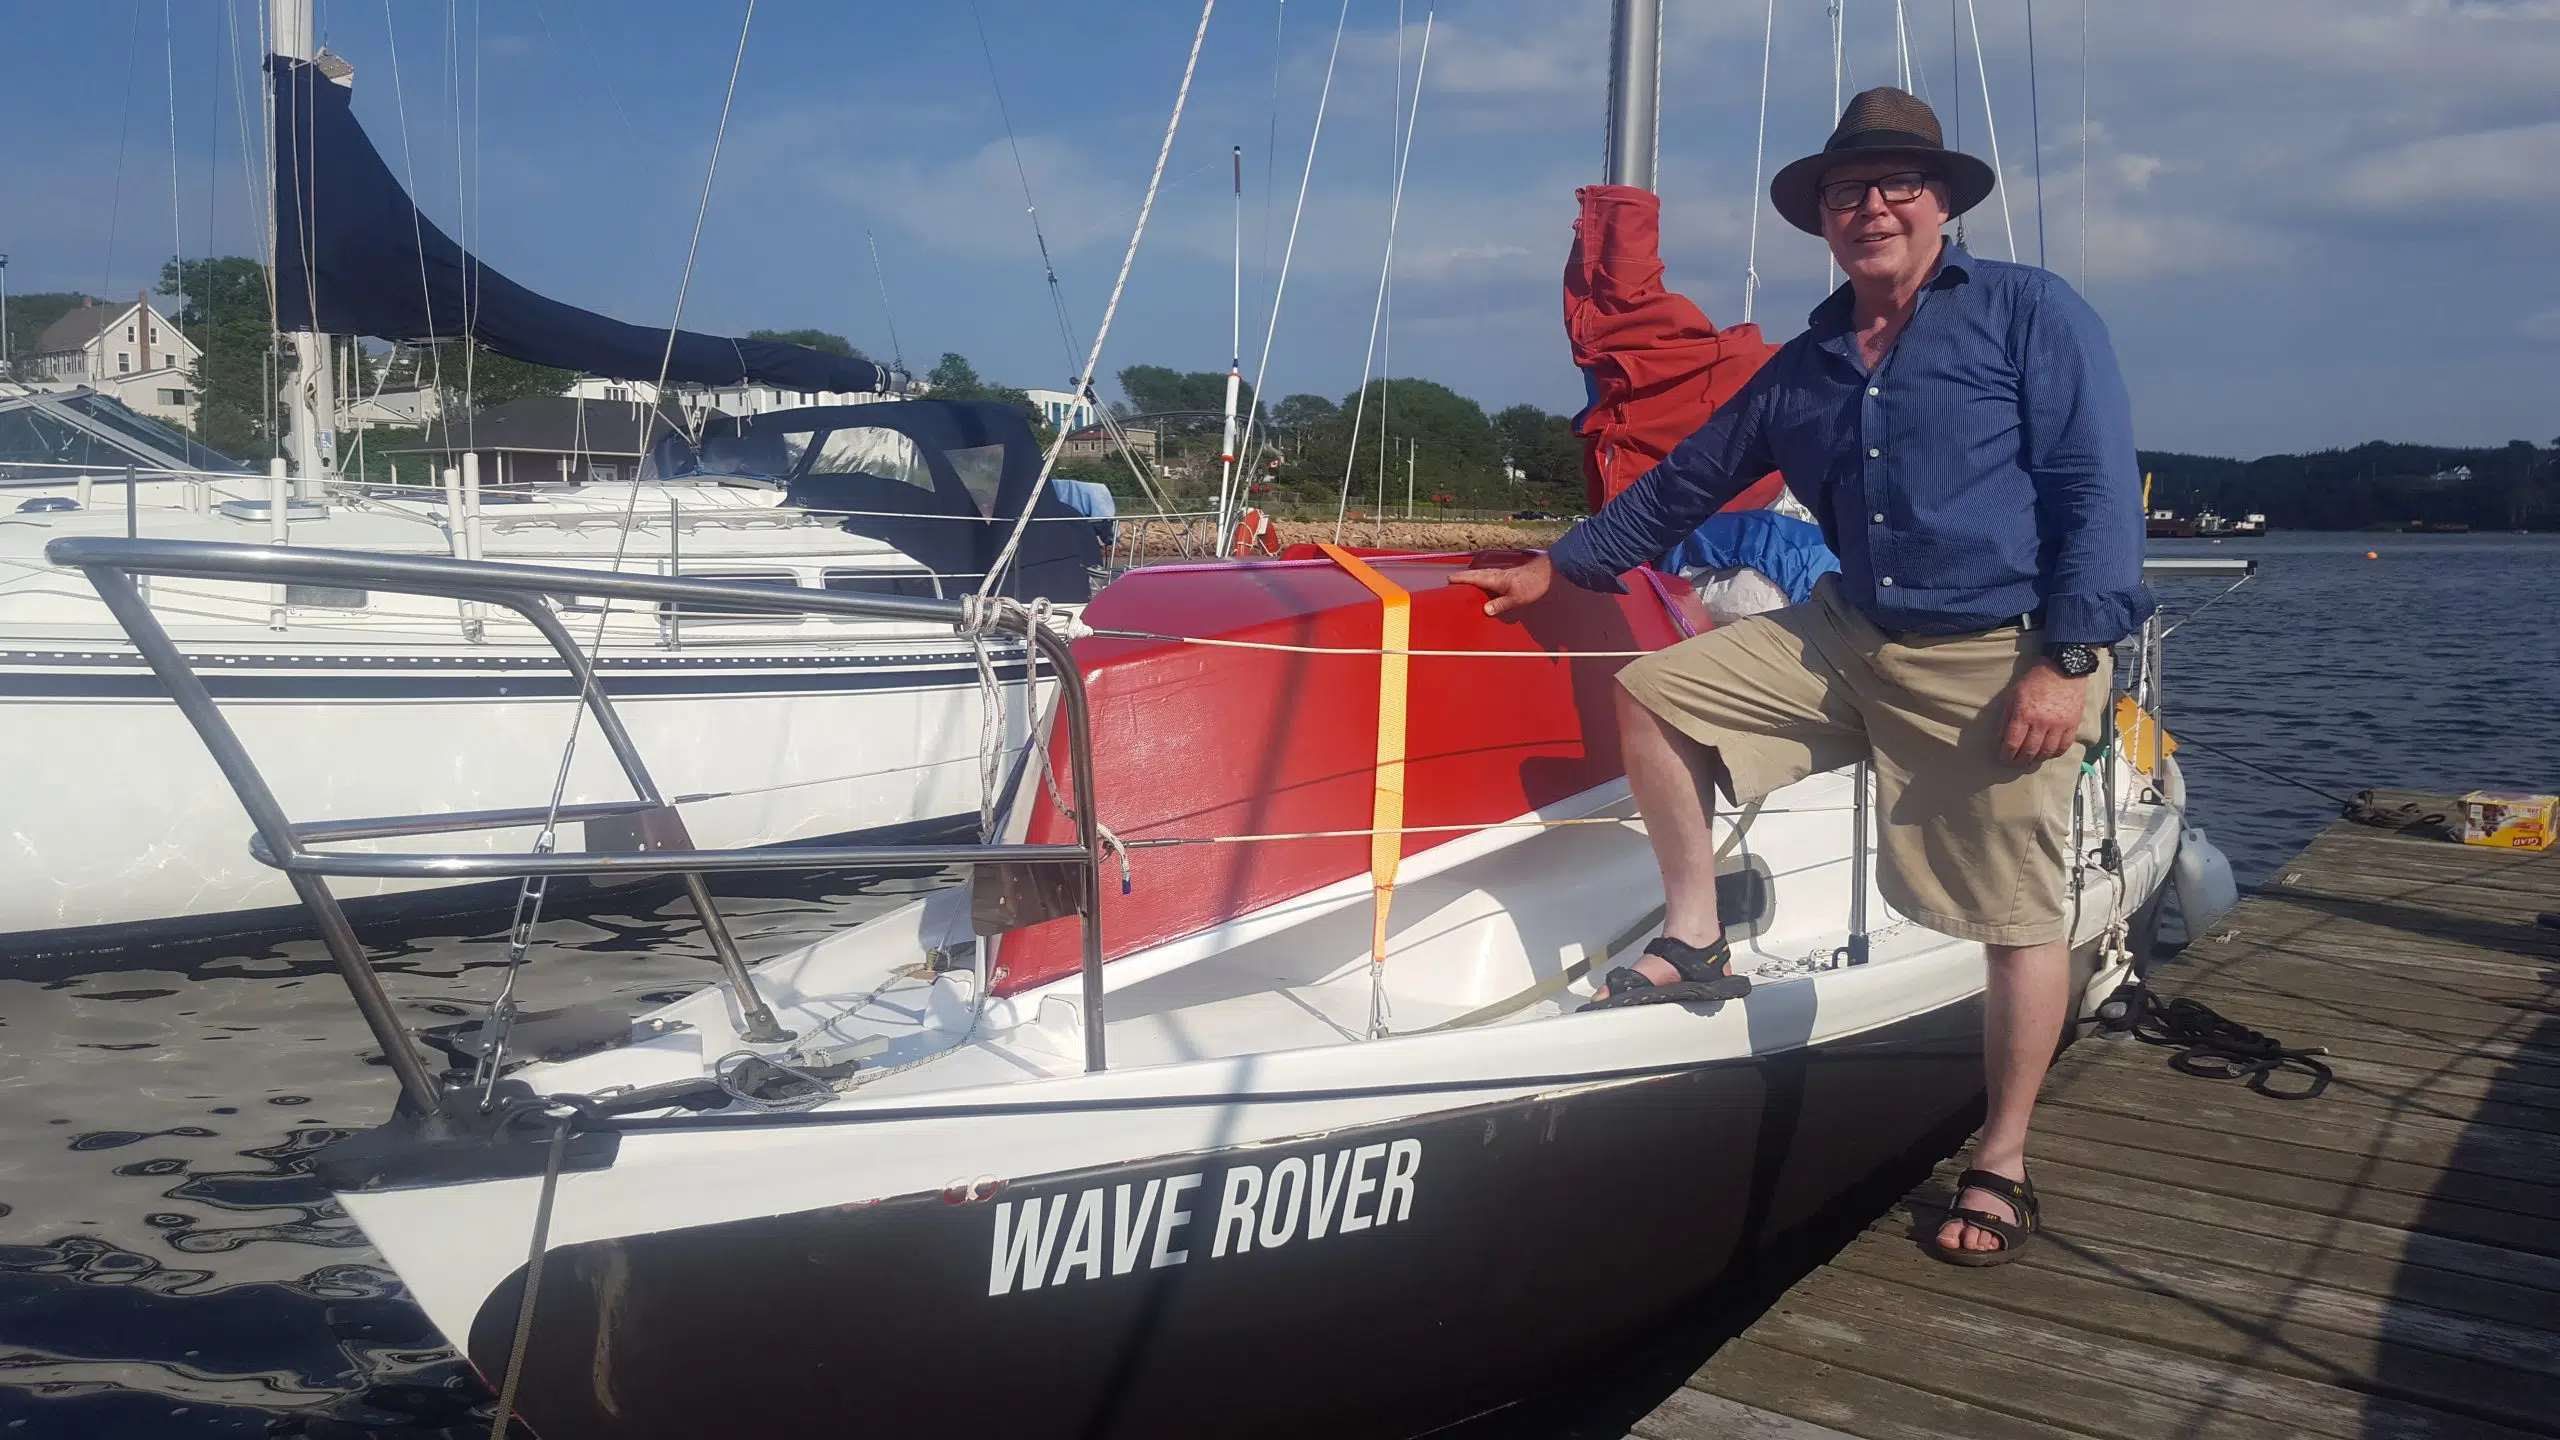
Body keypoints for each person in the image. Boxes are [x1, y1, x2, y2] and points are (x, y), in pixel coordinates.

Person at [1453, 87, 2151, 1266]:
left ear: (1941, 203)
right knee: (1658, 693)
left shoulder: (2031, 314)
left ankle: (2001, 1156)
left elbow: (2091, 487)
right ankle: (1693, 937)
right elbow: (1686, 482)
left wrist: (2069, 660)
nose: (1871, 206)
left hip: (1995, 651)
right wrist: (1561, 566)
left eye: (1896, 186)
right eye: (1845, 191)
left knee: (2017, 921)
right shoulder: (1810, 359)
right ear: (1820, 217)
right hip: (1843, 632)